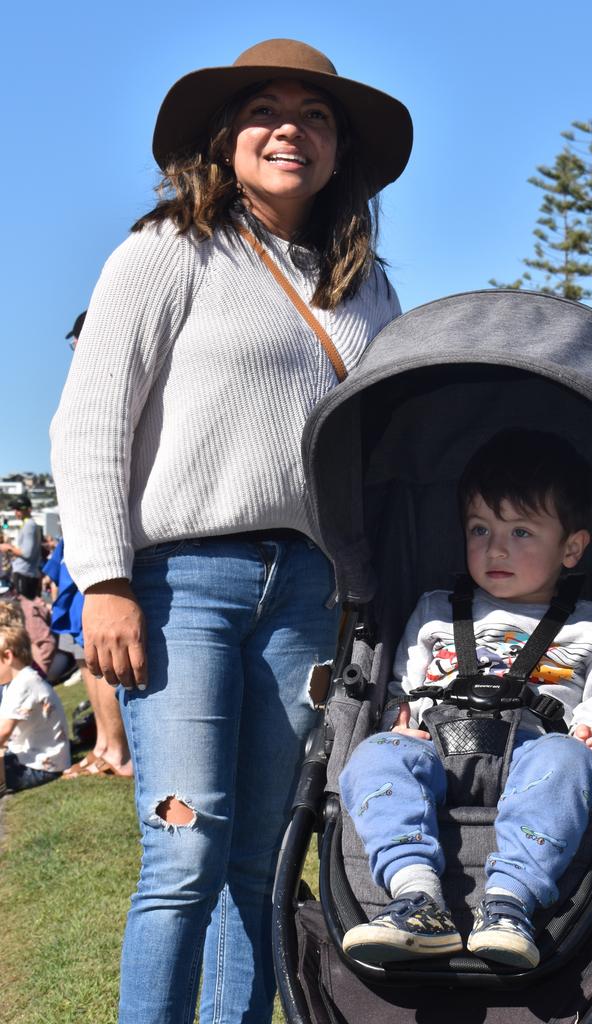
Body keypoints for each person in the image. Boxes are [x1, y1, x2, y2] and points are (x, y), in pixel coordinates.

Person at [50, 38, 411, 1024]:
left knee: (264, 859)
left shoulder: (368, 291)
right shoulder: (166, 251)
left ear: (341, 151)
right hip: (181, 584)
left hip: (309, 590)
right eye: (267, 109)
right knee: (184, 852)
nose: (291, 129)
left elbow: (388, 451)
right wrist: (106, 580)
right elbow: (89, 421)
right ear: (228, 135)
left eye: (317, 115)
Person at [339, 429, 592, 969]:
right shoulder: (434, 612)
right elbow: (402, 689)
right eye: (479, 529)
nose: (495, 548)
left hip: (535, 755)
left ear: (572, 547)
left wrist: (590, 739)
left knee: (570, 760)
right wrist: (398, 728)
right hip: (436, 750)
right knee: (372, 754)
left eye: (520, 531)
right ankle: (415, 896)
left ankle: (510, 904)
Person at [44, 536, 132, 777]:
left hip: (92, 572)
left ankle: (117, 750)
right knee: (86, 659)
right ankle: (103, 745)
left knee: (100, 660)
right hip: (76, 576)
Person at [0, 607, 71, 794]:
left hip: (42, 767)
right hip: (33, 757)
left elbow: (3, 733)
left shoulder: (23, 684)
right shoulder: (22, 679)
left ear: (8, 657)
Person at [0, 496, 43, 598]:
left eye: (18, 509)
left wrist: (8, 548)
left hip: (25, 572)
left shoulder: (29, 525)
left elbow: (26, 553)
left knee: (24, 606)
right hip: (28, 572)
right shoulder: (29, 524)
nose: (16, 512)